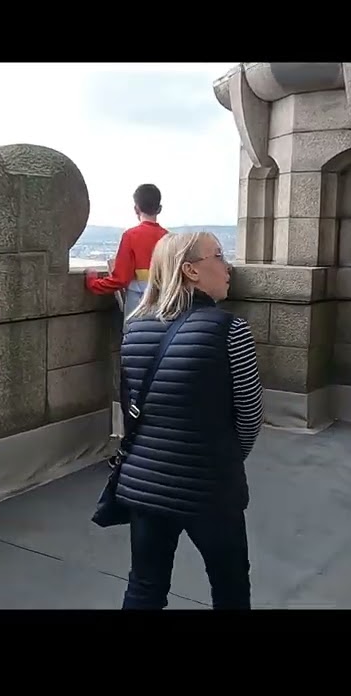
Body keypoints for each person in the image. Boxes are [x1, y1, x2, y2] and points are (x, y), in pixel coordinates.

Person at [114, 231, 263, 610]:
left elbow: (130, 408)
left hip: (145, 482)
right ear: (190, 270)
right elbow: (249, 418)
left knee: (145, 587)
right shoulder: (231, 330)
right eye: (217, 255)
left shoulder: (134, 328)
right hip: (210, 486)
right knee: (230, 588)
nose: (227, 265)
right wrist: (227, 457)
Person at [85, 184, 169, 328]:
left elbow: (120, 280)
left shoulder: (131, 236)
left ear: (136, 209)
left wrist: (93, 282)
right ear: (159, 209)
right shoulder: (169, 239)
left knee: (135, 346)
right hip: (165, 307)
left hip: (137, 308)